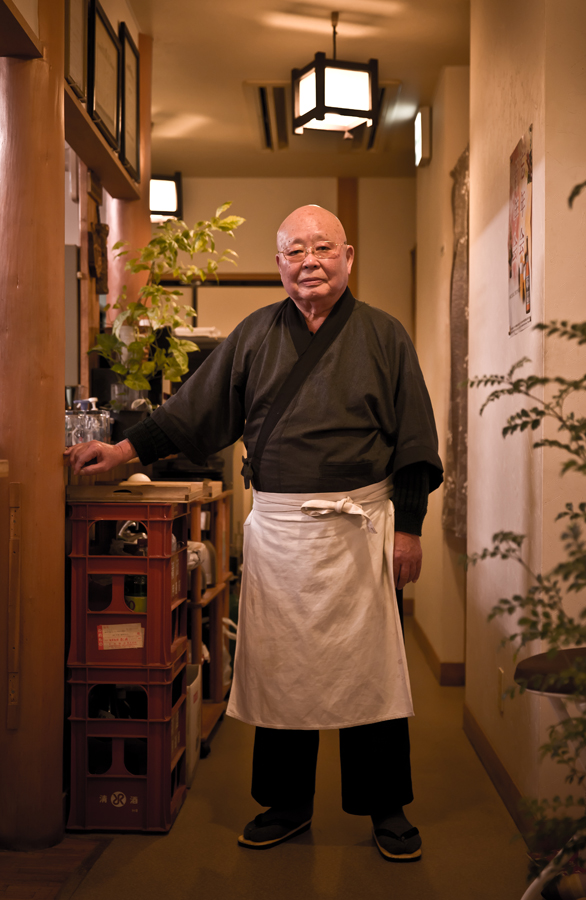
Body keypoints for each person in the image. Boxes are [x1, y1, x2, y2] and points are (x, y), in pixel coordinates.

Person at [65, 205, 443, 861]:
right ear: (279, 264)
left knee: (371, 673)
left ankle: (386, 807)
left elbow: (413, 440)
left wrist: (407, 531)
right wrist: (121, 452)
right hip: (281, 530)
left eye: (322, 248)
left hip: (360, 529)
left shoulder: (385, 335)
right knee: (281, 669)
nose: (309, 261)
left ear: (347, 257)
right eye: (295, 250)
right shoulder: (254, 335)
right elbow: (190, 414)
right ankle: (286, 803)